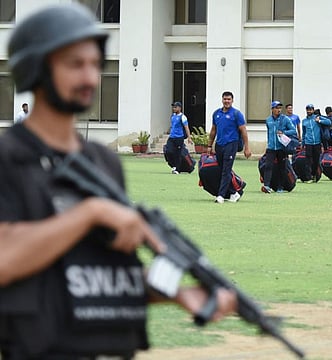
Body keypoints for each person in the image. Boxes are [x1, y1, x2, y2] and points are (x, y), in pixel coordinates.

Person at [0, 4, 236, 358]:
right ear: (35, 67)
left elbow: (103, 276)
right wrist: (90, 213)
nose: (91, 78)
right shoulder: (7, 157)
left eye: (96, 65)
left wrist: (178, 294)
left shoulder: (102, 163)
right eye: (75, 64)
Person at [208, 91, 251, 203]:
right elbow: (213, 130)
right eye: (225, 99)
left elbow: (243, 131)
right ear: (222, 100)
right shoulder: (216, 113)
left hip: (231, 144)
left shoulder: (236, 114)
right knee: (222, 170)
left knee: (226, 170)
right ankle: (234, 192)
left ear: (232, 101)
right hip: (219, 144)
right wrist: (209, 145)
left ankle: (221, 196)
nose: (226, 101)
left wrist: (247, 148)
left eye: (229, 99)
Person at [262, 101, 297, 193]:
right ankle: (266, 185)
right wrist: (269, 143)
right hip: (271, 147)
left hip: (281, 147)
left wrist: (284, 133)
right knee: (268, 166)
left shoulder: (285, 119)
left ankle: (280, 187)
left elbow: (293, 130)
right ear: (272, 109)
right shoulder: (268, 120)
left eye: (280, 108)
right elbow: (269, 133)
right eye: (276, 108)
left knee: (282, 167)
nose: (278, 110)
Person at [302, 104, 331, 183]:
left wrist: (320, 121)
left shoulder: (317, 118)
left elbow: (329, 122)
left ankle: (314, 174)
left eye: (310, 110)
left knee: (316, 160)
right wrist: (303, 143)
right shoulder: (304, 121)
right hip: (308, 143)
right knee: (308, 160)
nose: (309, 111)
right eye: (308, 110)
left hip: (317, 143)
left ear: (313, 110)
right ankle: (309, 177)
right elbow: (304, 133)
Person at [166, 101, 192, 174]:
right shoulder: (173, 116)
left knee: (178, 154)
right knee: (168, 151)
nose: (174, 108)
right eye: (173, 107)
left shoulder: (183, 117)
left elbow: (186, 127)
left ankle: (177, 169)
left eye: (175, 107)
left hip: (179, 137)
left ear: (179, 108)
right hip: (171, 137)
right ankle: (173, 165)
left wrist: (189, 137)